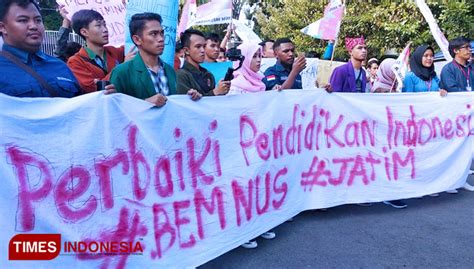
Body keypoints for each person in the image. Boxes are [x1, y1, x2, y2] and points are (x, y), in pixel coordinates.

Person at [227, 42, 277, 248]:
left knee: (259, 184)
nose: (258, 60)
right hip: (241, 146)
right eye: (254, 56)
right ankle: (241, 231)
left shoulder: (260, 83)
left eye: (260, 56)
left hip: (259, 143)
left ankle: (258, 224)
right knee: (242, 188)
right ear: (245, 59)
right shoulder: (236, 86)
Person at [110, 13, 201, 106]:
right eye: (153, 34)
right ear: (137, 39)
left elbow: (174, 104)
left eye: (162, 33)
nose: (161, 39)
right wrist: (144, 104)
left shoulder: (170, 70)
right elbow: (115, 111)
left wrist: (190, 97)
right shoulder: (122, 72)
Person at [0, 0, 80, 97]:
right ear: (2, 27)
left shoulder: (59, 66)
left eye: (38, 20)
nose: (34, 26)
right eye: (23, 20)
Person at [439, 36, 474, 192]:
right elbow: (452, 89)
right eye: (465, 47)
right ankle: (448, 182)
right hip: (455, 116)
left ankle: (461, 178)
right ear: (455, 51)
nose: (469, 50)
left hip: (470, 114)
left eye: (469, 47)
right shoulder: (448, 69)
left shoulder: (471, 68)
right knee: (454, 148)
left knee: (467, 148)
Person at [67, 9, 131, 93]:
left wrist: (129, 8)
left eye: (104, 24)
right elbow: (95, 90)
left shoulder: (115, 51)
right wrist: (123, 66)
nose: (105, 29)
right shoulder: (76, 62)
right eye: (98, 26)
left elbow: (135, 42)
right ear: (84, 32)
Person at [176, 29, 230, 96]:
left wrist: (222, 90)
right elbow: (185, 104)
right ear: (186, 50)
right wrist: (215, 92)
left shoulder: (208, 74)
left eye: (204, 46)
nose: (203, 50)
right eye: (198, 46)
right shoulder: (181, 75)